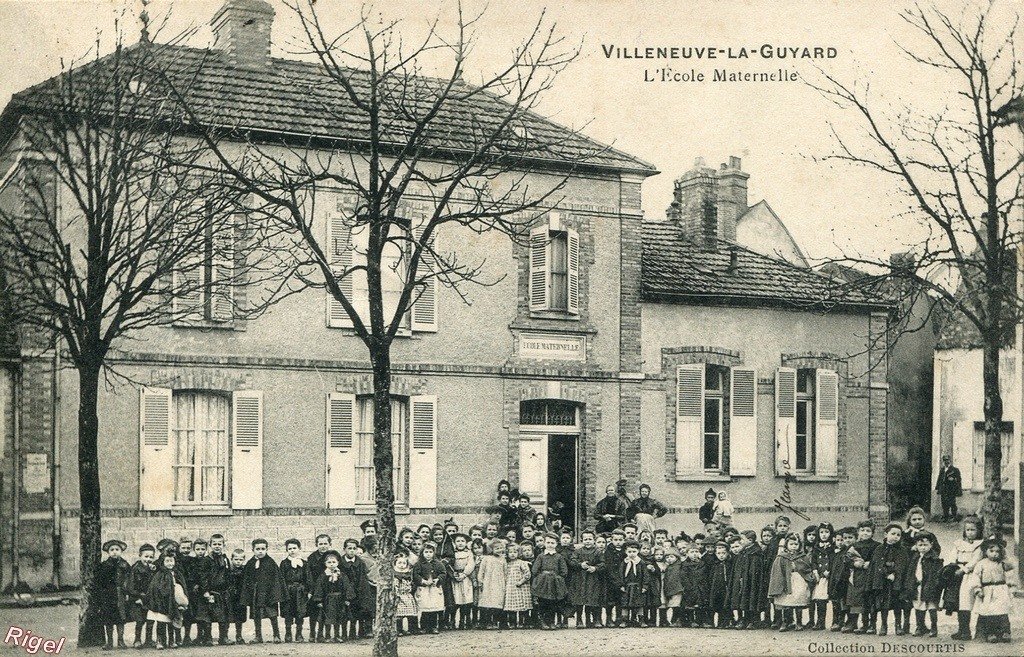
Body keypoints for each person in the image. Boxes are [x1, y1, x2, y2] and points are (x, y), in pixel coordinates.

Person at [966, 536, 1014, 643]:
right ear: (985, 551)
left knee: (1002, 612)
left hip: (1001, 590)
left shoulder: (1002, 563)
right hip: (987, 591)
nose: (994, 554)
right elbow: (976, 577)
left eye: (997, 551)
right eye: (991, 551)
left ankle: (1005, 632)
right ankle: (991, 633)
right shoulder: (981, 564)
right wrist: (977, 589)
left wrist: (1011, 586)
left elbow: (1010, 572)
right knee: (989, 613)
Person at [943, 515, 984, 640]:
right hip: (957, 574)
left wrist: (964, 569)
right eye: (968, 530)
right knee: (959, 603)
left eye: (973, 530)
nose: (970, 533)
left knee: (967, 603)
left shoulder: (979, 545)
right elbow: (952, 556)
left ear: (978, 531)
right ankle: (962, 629)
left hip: (970, 575)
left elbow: (976, 560)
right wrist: (951, 566)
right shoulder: (959, 544)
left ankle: (970, 631)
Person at [870, 523, 912, 636]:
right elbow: (878, 563)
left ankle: (898, 625)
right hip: (882, 581)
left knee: (897, 603)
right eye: (893, 534)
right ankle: (884, 625)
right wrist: (886, 573)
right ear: (886, 534)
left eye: (898, 535)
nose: (895, 537)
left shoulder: (902, 550)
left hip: (897, 582)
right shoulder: (879, 548)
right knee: (884, 604)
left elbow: (902, 564)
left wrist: (895, 573)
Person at [768, 532, 814, 632]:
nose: (793, 547)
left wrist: (808, 577)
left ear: (799, 545)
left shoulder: (802, 556)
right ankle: (786, 622)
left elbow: (807, 568)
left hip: (799, 580)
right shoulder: (782, 557)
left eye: (796, 544)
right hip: (786, 581)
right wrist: (779, 582)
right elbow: (777, 571)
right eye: (791, 544)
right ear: (786, 545)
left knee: (798, 600)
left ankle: (799, 622)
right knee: (786, 602)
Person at [241, 538, 283, 644]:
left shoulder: (271, 562)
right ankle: (258, 636)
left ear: (267, 549)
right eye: (258, 549)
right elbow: (246, 579)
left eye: (263, 549)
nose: (260, 551)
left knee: (272, 615)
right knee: (257, 616)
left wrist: (274, 594)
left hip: (269, 594)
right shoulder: (250, 563)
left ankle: (276, 635)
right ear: (253, 550)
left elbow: (276, 579)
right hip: (256, 594)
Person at [843, 520, 879, 634]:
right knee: (857, 599)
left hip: (871, 576)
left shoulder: (877, 546)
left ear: (872, 533)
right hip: (857, 576)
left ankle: (871, 625)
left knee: (870, 599)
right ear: (858, 532)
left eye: (868, 531)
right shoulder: (854, 546)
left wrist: (871, 563)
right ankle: (856, 623)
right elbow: (846, 559)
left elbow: (880, 559)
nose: (865, 533)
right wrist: (854, 563)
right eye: (862, 530)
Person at [147, 550, 187, 650]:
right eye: (167, 561)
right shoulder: (160, 574)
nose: (170, 563)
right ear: (162, 562)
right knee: (161, 623)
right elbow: (155, 587)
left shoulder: (177, 573)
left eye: (171, 561)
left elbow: (182, 586)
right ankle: (160, 641)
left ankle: (171, 641)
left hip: (172, 602)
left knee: (171, 623)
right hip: (162, 603)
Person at [96, 539, 131, 650]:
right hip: (108, 595)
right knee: (108, 619)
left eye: (117, 549)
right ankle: (109, 642)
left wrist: (127, 593)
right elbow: (100, 582)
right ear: (108, 552)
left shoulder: (125, 565)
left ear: (121, 551)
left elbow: (129, 579)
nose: (114, 552)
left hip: (121, 595)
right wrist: (102, 595)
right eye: (112, 550)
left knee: (121, 618)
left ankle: (121, 641)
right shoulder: (104, 565)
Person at [311, 549, 351, 643]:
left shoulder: (342, 575)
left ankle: (337, 635)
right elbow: (319, 588)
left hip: (339, 600)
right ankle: (327, 636)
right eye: (329, 562)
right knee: (327, 618)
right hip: (327, 600)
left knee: (338, 618)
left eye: (334, 562)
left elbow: (347, 587)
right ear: (325, 564)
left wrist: (347, 598)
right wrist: (318, 600)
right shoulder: (323, 576)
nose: (332, 564)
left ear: (338, 563)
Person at [907, 531, 942, 637]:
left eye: (925, 545)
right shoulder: (915, 557)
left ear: (931, 544)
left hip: (930, 586)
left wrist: (934, 584)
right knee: (918, 606)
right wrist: (911, 582)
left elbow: (937, 573)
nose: (923, 548)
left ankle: (934, 628)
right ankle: (920, 626)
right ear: (916, 546)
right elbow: (911, 571)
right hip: (918, 585)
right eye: (920, 545)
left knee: (931, 606)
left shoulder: (935, 558)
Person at [569, 529, 605, 628]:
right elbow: (572, 561)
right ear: (582, 540)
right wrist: (580, 564)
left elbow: (603, 563)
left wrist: (595, 568)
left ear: (594, 540)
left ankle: (594, 620)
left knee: (593, 599)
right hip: (580, 579)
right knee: (580, 600)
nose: (588, 541)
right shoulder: (578, 551)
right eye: (585, 539)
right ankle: (579, 620)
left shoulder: (597, 552)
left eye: (590, 539)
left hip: (593, 579)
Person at [339, 538, 371, 640]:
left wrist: (361, 590)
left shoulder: (360, 562)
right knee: (345, 612)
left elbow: (362, 577)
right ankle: (344, 633)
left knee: (358, 611)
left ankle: (357, 632)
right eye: (349, 548)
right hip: (345, 591)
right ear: (344, 549)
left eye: (354, 548)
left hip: (358, 590)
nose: (352, 551)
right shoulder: (340, 562)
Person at [413, 541, 447, 634]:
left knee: (434, 608)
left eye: (430, 552)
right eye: (426, 552)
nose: (428, 554)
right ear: (422, 553)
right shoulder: (419, 564)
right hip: (424, 589)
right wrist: (422, 581)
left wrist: (438, 579)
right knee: (425, 608)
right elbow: (416, 574)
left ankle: (433, 626)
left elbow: (443, 573)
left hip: (434, 589)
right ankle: (424, 626)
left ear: (434, 553)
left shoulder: (438, 563)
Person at [127, 544, 157, 648]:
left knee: (150, 620)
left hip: (149, 599)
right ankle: (137, 639)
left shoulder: (153, 569)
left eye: (151, 557)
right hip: (139, 599)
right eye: (146, 556)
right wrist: (137, 597)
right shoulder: (135, 569)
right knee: (140, 620)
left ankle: (148, 640)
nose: (148, 559)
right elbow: (130, 586)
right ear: (140, 556)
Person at [279, 538, 308, 643]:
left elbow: (308, 578)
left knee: (300, 613)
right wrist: (283, 592)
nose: (292, 550)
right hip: (288, 591)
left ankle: (299, 634)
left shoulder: (304, 563)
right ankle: (288, 633)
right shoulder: (284, 563)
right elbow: (281, 578)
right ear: (287, 550)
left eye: (294, 548)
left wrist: (307, 591)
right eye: (289, 548)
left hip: (300, 591)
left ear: (299, 548)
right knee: (288, 612)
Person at [476, 537, 508, 629]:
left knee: (497, 603)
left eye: (500, 548)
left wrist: (505, 583)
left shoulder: (503, 559)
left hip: (499, 583)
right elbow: (481, 571)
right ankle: (487, 622)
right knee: (487, 602)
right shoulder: (486, 559)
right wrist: (480, 581)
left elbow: (505, 572)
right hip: (488, 583)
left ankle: (496, 622)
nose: (499, 550)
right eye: (496, 548)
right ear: (491, 549)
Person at [306, 534, 332, 642]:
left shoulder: (332, 556)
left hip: (328, 588)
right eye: (320, 544)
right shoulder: (312, 558)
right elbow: (309, 574)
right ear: (316, 545)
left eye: (325, 543)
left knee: (325, 611)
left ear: (330, 544)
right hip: (315, 589)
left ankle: (322, 633)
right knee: (313, 612)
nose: (323, 546)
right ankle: (312, 632)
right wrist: (312, 589)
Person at [503, 542, 532, 628]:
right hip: (511, 588)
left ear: (518, 553)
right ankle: (513, 623)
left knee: (523, 605)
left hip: (521, 587)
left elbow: (527, 574)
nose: (512, 554)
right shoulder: (507, 564)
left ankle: (524, 622)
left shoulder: (521, 563)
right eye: (510, 552)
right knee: (512, 606)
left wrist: (521, 581)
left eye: (515, 552)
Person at [226, 549, 248, 645]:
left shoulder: (245, 570)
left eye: (240, 560)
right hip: (229, 596)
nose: (238, 562)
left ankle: (238, 635)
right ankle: (224, 636)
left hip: (240, 597)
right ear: (231, 559)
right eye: (236, 559)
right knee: (227, 615)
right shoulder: (228, 570)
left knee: (239, 617)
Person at [393, 550, 418, 636]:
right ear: (395, 564)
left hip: (407, 595)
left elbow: (412, 583)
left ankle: (411, 629)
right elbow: (395, 586)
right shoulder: (395, 575)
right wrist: (396, 594)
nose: (402, 565)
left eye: (404, 563)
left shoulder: (408, 574)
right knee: (399, 614)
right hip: (399, 595)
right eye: (399, 563)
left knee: (410, 612)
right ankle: (399, 630)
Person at [935, 454, 963, 522]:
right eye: (944, 460)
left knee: (952, 503)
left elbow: (959, 480)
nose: (946, 462)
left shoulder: (955, 470)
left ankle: (954, 516)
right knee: (944, 503)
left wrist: (953, 479)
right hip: (944, 489)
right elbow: (939, 479)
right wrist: (938, 487)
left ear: (950, 460)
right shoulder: (942, 470)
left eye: (947, 460)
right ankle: (946, 517)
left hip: (951, 489)